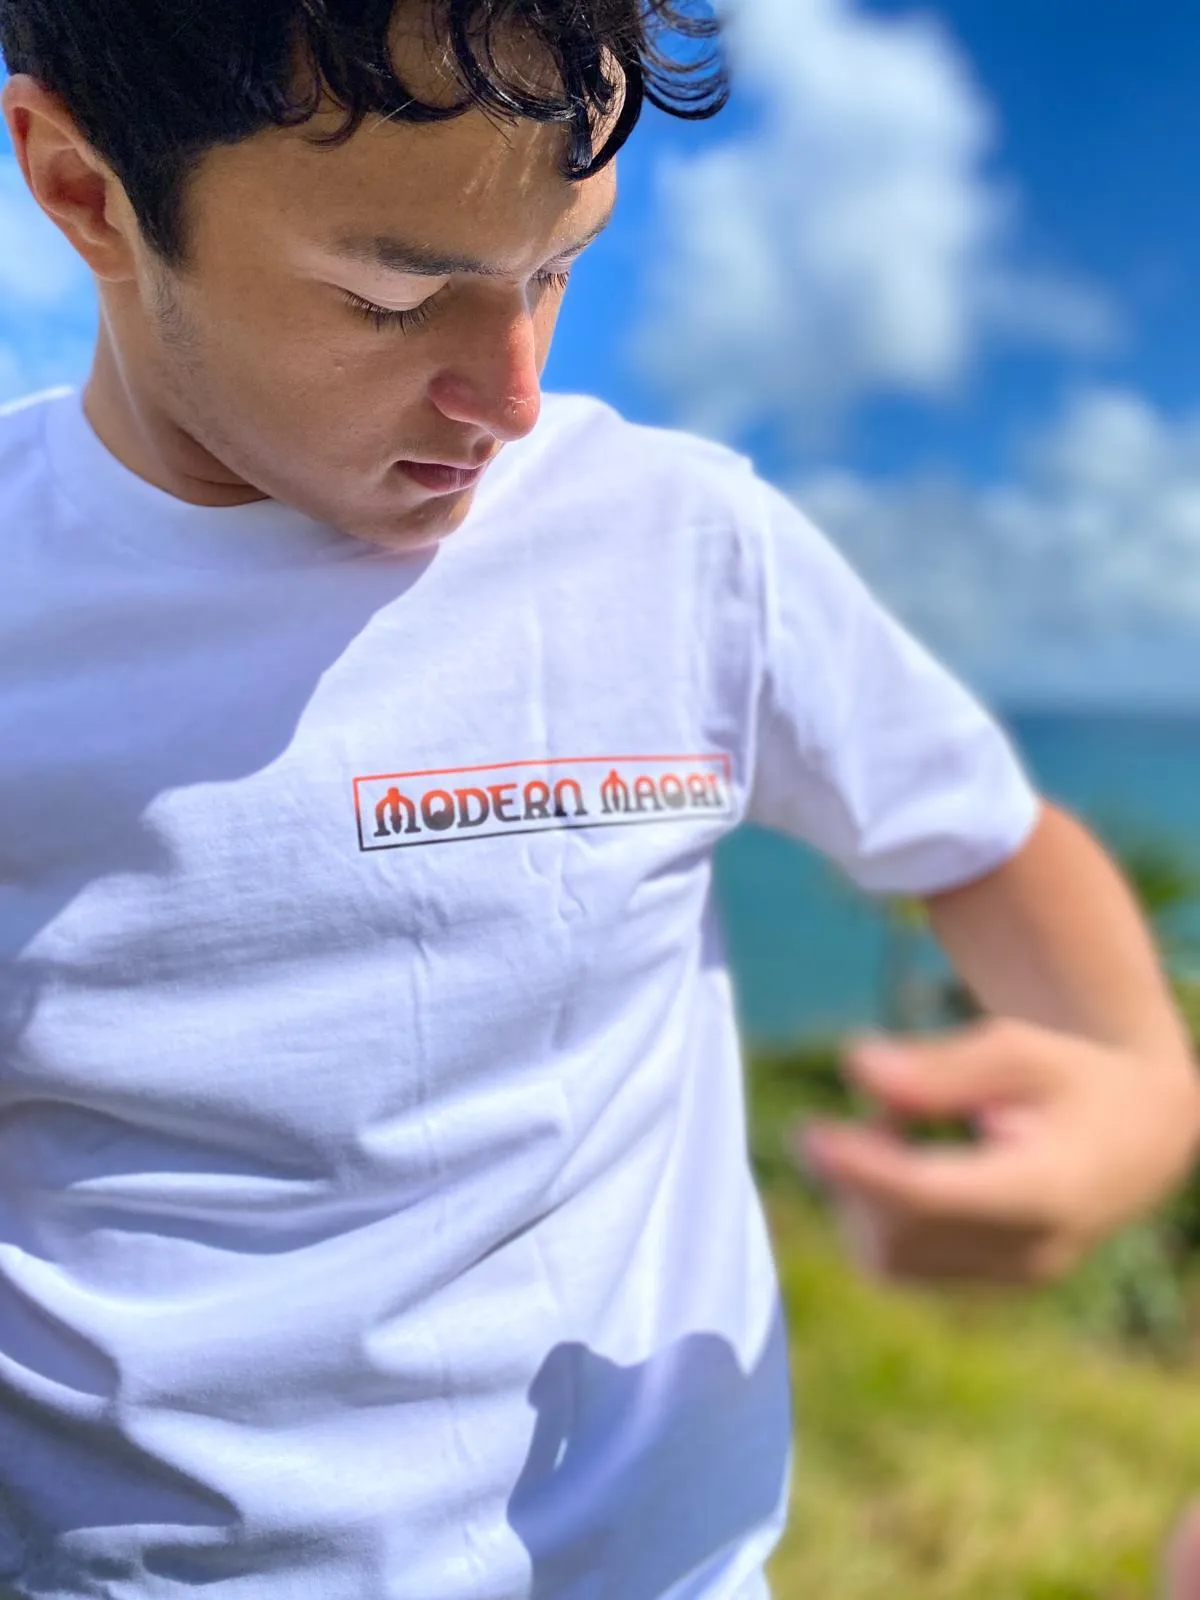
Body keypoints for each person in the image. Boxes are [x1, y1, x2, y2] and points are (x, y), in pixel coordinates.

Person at [0, 2, 1197, 1595]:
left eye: (559, 270)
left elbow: (983, 836)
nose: (509, 395)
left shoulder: (679, 543)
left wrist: (1133, 1089)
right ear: (82, 188)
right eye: (389, 299)